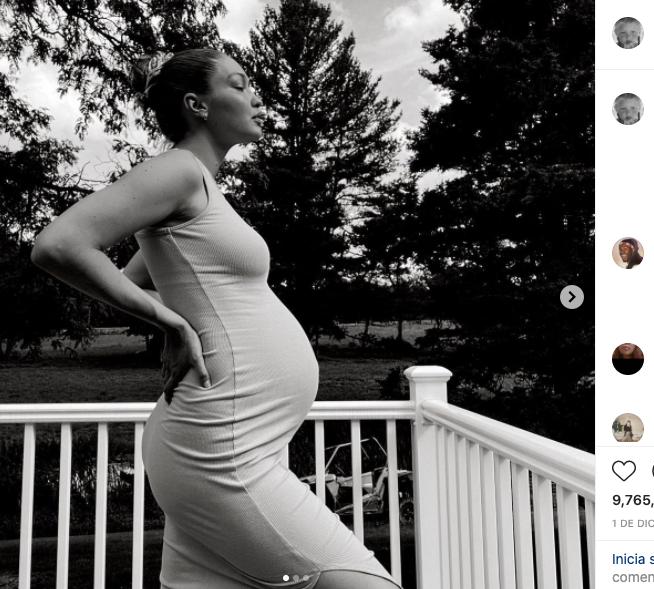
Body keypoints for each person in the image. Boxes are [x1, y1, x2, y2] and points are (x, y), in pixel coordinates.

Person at [30, 48, 402, 589]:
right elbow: (59, 244)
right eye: (240, 84)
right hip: (220, 448)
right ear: (197, 105)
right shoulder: (179, 169)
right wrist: (173, 324)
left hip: (233, 441)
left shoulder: (200, 186)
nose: (257, 98)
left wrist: (172, 311)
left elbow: (138, 276)